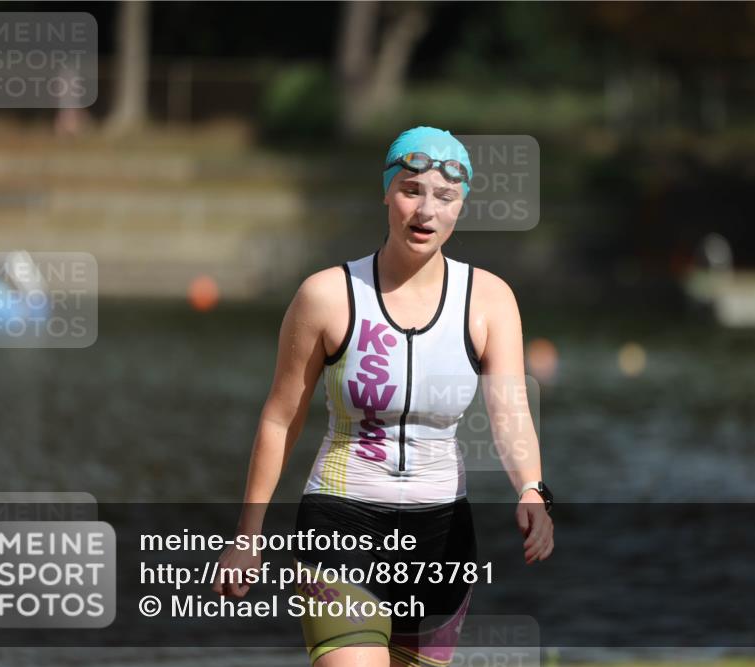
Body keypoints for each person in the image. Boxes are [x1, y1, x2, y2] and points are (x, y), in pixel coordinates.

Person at [213, 126, 554, 667]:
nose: (425, 211)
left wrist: (534, 490)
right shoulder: (326, 295)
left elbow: (509, 411)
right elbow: (280, 419)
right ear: (386, 193)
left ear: (461, 207)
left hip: (442, 541)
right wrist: (248, 533)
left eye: (444, 197)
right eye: (411, 190)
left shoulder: (490, 300)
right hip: (342, 522)